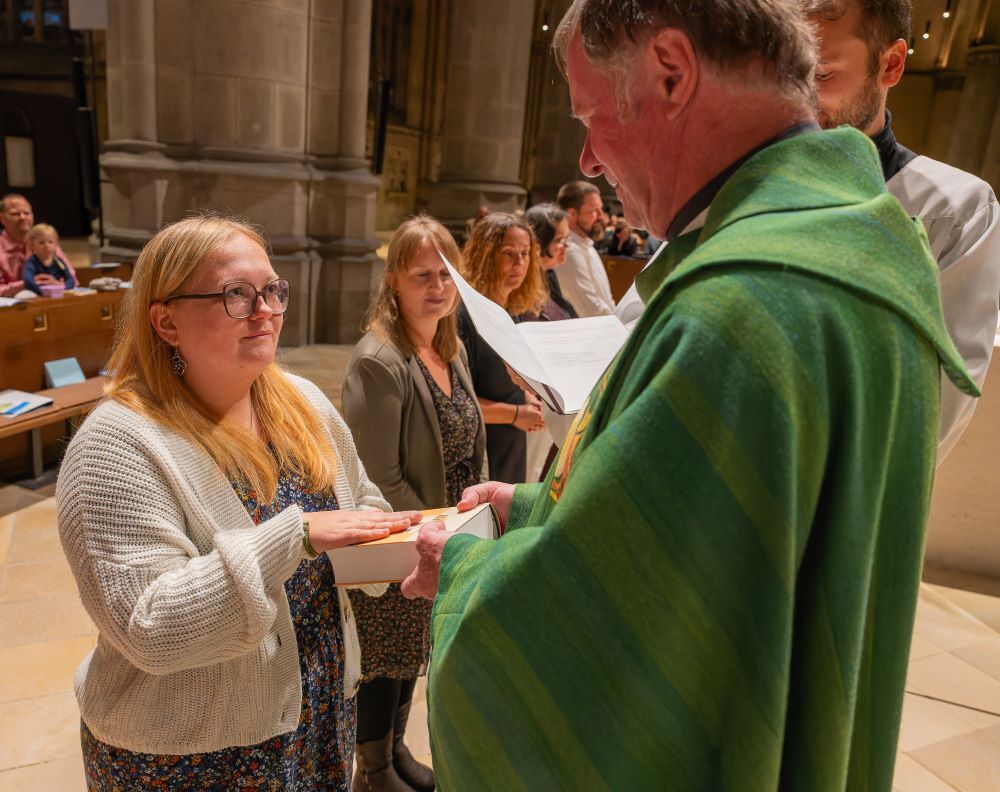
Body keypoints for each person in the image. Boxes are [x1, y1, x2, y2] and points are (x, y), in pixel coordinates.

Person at [400, 0, 977, 787]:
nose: (589, 158)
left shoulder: (744, 303)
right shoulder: (864, 244)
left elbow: (602, 641)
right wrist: (538, 508)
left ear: (671, 72)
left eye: (591, 117)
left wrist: (465, 565)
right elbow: (728, 534)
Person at [57, 215, 421, 790]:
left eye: (272, 290)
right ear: (166, 321)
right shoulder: (115, 445)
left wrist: (410, 541)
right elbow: (149, 626)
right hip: (193, 752)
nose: (265, 311)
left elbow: (362, 502)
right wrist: (297, 535)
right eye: (235, 294)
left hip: (316, 705)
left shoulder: (300, 401)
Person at [803, 0, 1000, 461]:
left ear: (891, 64)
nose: (797, 100)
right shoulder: (740, 180)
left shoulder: (955, 210)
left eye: (821, 75)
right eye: (783, 75)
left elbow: (937, 402)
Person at [341, 215, 487, 792]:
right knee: (385, 662)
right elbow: (380, 477)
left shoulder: (450, 348)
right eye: (422, 275)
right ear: (393, 280)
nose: (438, 287)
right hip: (401, 538)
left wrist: (472, 515)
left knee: (412, 655)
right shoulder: (379, 360)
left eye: (446, 274)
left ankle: (396, 754)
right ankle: (372, 772)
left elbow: (471, 447)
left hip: (445, 533)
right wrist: (435, 534)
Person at [456, 212, 547, 484]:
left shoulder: (509, 311)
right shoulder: (465, 316)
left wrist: (527, 397)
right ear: (486, 255)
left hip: (511, 444)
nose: (520, 263)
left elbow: (505, 379)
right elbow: (459, 403)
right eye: (509, 253)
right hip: (482, 451)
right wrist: (516, 414)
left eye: (525, 253)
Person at [554, 180, 616, 316]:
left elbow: (606, 299)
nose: (601, 216)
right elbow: (590, 310)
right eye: (594, 210)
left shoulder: (587, 245)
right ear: (572, 215)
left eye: (601, 209)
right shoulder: (568, 251)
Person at [0, 193, 75, 297]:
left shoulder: (46, 242)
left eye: (26, 213)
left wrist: (58, 285)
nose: (23, 217)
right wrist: (27, 284)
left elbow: (72, 278)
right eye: (15, 214)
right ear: (2, 218)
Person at [524, 202, 577, 320]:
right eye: (559, 240)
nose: (566, 245)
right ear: (538, 242)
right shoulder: (523, 281)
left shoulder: (549, 274)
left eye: (566, 238)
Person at [22, 223, 77, 295]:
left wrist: (64, 287)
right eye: (41, 243)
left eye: (50, 242)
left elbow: (70, 279)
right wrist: (41, 291)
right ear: (32, 246)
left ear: (56, 244)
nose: (47, 246)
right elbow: (27, 280)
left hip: (57, 291)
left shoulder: (58, 261)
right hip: (38, 292)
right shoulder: (32, 262)